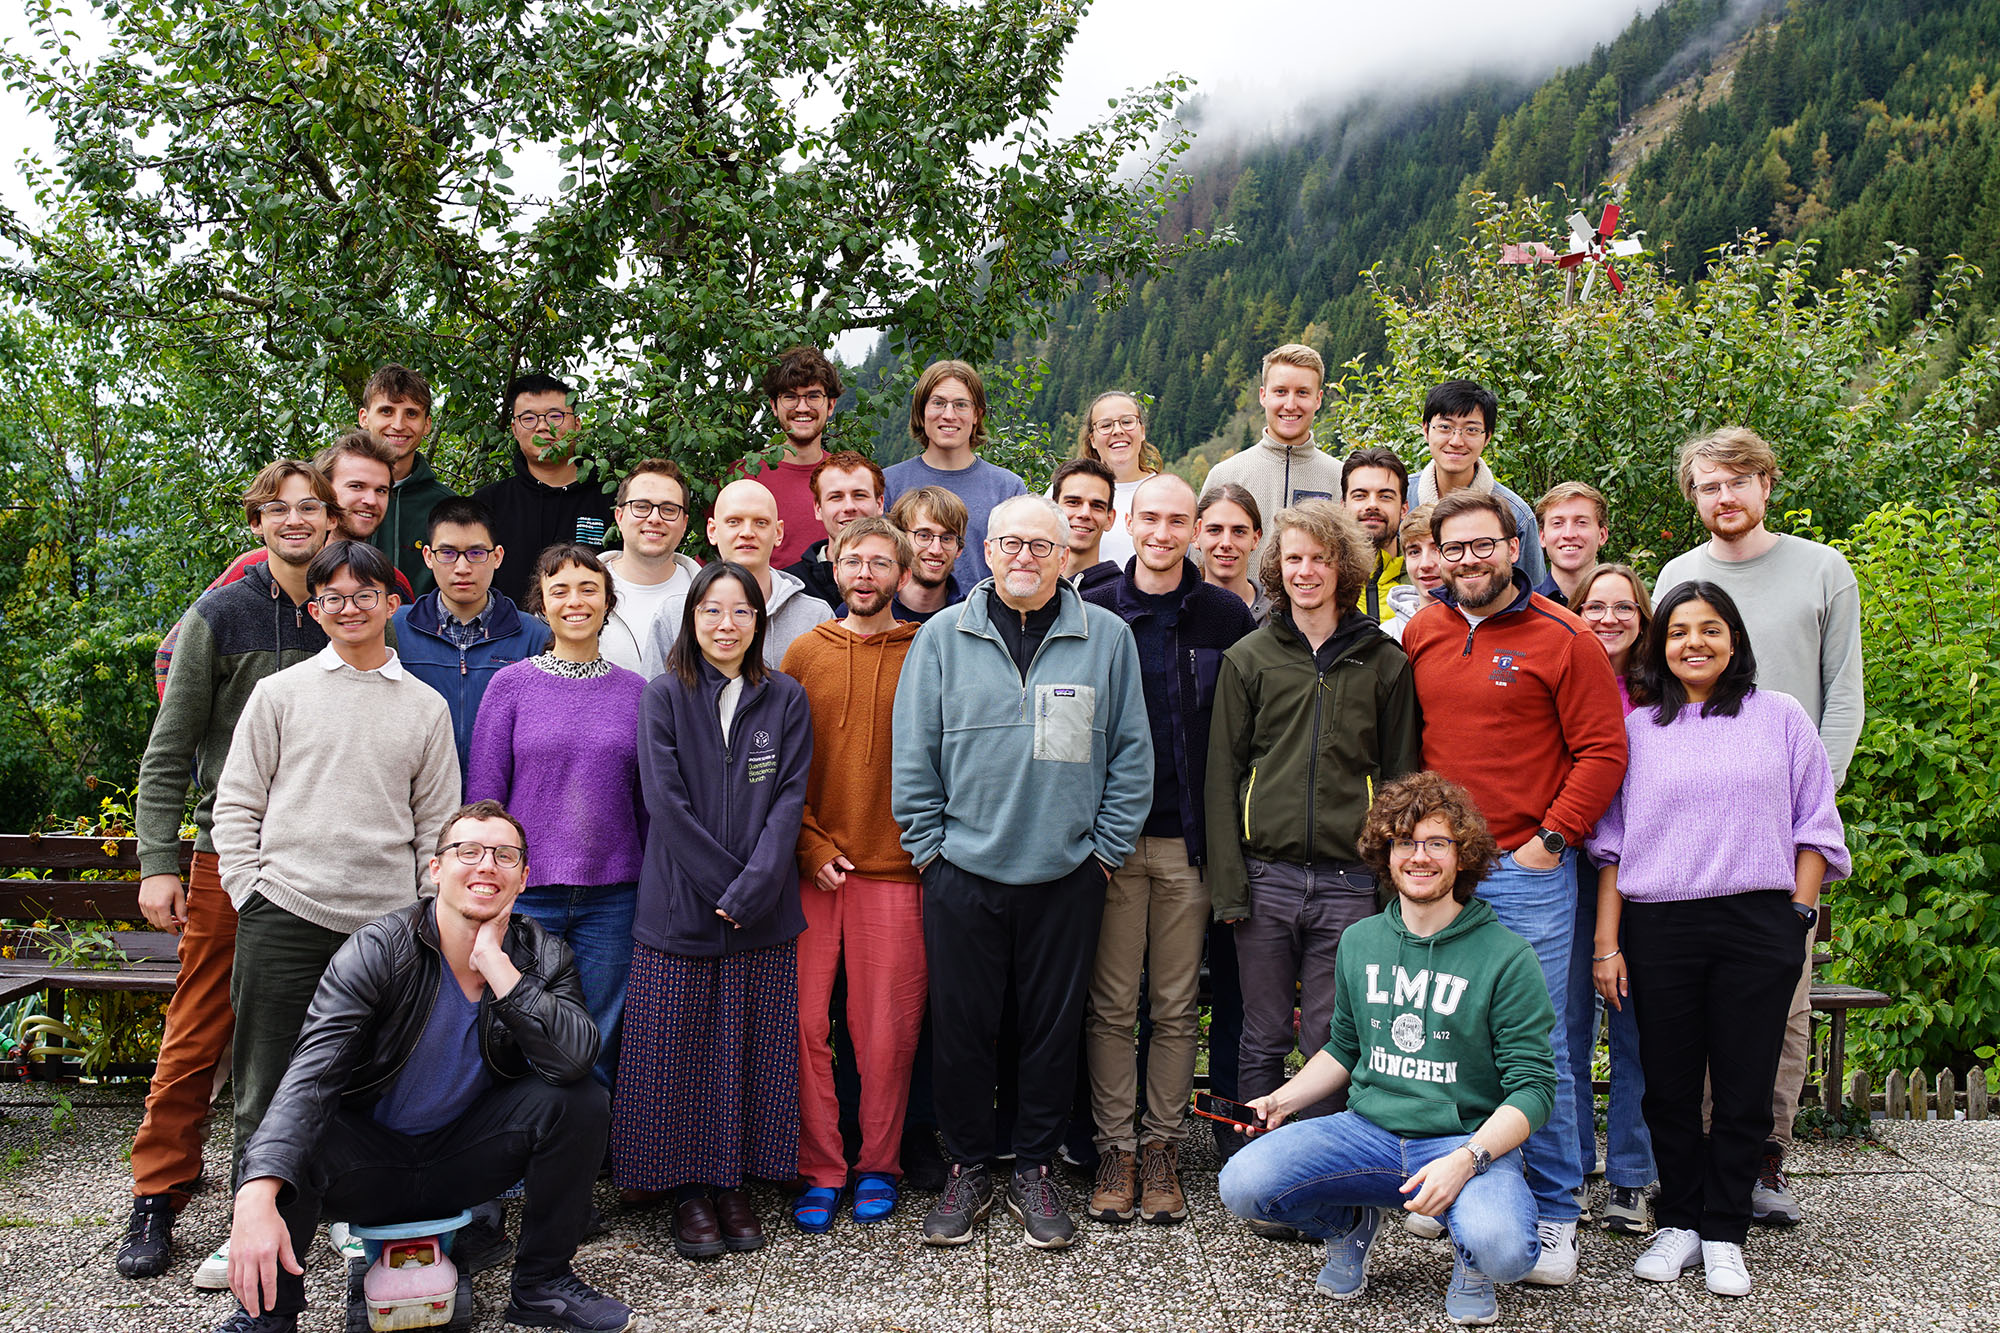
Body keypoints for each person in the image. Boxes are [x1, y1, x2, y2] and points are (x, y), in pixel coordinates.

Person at [210, 800, 635, 1333]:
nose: (486, 866)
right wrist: (256, 1189)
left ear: (524, 878)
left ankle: (541, 1285)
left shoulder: (542, 956)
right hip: (367, 1165)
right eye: (468, 852)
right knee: (289, 1139)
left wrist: (498, 968)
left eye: (504, 856)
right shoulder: (379, 949)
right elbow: (311, 1076)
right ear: (436, 868)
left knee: (580, 1101)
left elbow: (573, 1060)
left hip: (465, 1160)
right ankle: (268, 1317)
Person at [891, 495, 1151, 1250]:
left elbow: (1131, 754)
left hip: (1068, 872)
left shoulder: (1106, 637)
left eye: (1041, 545)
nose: (1025, 557)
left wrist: (1103, 854)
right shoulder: (943, 636)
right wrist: (929, 852)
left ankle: (1034, 1165)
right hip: (961, 870)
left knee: (1050, 1030)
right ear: (988, 551)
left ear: (1065, 556)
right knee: (962, 1028)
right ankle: (969, 1164)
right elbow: (914, 753)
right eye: (1011, 543)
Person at [1219, 772, 1557, 1328]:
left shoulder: (1507, 956)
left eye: (1437, 843)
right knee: (1242, 1184)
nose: (1419, 857)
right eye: (1405, 842)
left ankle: (1471, 1260)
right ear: (1387, 853)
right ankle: (1349, 1225)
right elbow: (1345, 1047)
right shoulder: (1361, 940)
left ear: (1463, 857)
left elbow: (1534, 1087)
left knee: (1503, 1249)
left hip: (1462, 1141)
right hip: (1367, 1133)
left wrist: (1468, 1160)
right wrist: (1281, 1101)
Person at [1588, 582, 1848, 1297]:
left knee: (1743, 1085)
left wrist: (1798, 915)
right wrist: (1607, 944)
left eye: (1709, 629)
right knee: (1668, 1086)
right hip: (1659, 926)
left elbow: (1816, 826)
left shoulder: (1780, 717)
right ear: (1660, 644)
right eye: (1678, 631)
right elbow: (1612, 847)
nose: (1693, 643)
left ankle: (1726, 1230)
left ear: (1734, 640)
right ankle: (1679, 1220)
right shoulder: (1638, 730)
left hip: (1758, 924)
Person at [1400, 490, 1627, 1286]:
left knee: (1540, 1047)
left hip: (1525, 873)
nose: (1468, 560)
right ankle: (1459, 1184)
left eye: (1483, 544)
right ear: (1437, 554)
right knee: (1446, 1038)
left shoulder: (1565, 637)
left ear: (1512, 546)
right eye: (1453, 547)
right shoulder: (1424, 631)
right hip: (1441, 874)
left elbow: (1603, 750)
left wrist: (1550, 840)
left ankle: (1557, 1211)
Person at [210, 539, 462, 1248]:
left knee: (371, 1079)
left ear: (391, 604)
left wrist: (424, 915)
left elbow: (437, 826)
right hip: (285, 911)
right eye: (334, 598)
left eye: (364, 595)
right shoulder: (279, 694)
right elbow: (237, 803)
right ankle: (252, 1229)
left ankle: (353, 1216)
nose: (350, 609)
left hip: (386, 926)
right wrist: (249, 890)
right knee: (264, 1082)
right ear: (315, 609)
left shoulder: (425, 707)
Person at [119, 461, 334, 1285]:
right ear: (256, 523)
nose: (294, 519)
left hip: (324, 854)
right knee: (201, 1024)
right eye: (278, 508)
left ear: (330, 520)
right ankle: (159, 1189)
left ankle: (297, 1181)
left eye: (308, 507)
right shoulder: (219, 613)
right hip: (230, 852)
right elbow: (169, 747)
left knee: (319, 1026)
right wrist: (158, 862)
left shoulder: (346, 609)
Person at [1653, 428, 1864, 1226]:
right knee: (1699, 1007)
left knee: (1782, 1002)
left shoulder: (1822, 569)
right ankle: (1706, 1160)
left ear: (1767, 484)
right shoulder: (1679, 575)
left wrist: (1809, 800)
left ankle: (1764, 1156)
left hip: (1784, 830)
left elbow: (1843, 696)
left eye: (1738, 481)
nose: (1725, 496)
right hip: (1692, 836)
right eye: (1709, 485)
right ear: (1695, 497)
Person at [1205, 502, 1421, 1155]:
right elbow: (1222, 777)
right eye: (1293, 558)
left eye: (1320, 559)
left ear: (1344, 567)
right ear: (1277, 566)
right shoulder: (1248, 657)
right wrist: (1230, 885)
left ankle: (1323, 1172)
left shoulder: (1384, 661)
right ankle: (1252, 1165)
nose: (1305, 571)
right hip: (1265, 877)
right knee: (1262, 1033)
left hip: (1349, 883)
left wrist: (1389, 886)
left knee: (1331, 1037)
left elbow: (1401, 779)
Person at [619, 563, 812, 1259]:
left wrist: (755, 886)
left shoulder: (785, 697)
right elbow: (664, 801)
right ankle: (687, 1189)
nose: (726, 624)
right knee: (675, 1050)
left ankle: (734, 1183)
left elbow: (790, 796)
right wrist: (725, 886)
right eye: (711, 611)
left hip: (764, 911)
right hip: (680, 908)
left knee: (750, 1049)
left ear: (759, 622)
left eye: (741, 612)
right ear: (691, 619)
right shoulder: (664, 695)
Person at [1080, 474, 1255, 1225]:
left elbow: (1246, 729)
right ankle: (1114, 1149)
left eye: (1177, 520)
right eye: (1149, 517)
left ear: (1193, 530)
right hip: (1111, 842)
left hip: (1190, 842)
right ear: (1129, 521)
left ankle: (1161, 1149)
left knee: (1177, 1006)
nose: (1161, 532)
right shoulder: (1092, 605)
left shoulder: (1223, 613)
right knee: (1112, 1005)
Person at [781, 517, 927, 1233]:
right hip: (814, 871)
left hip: (897, 871)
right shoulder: (804, 652)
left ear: (902, 573)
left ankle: (878, 1164)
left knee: (884, 1033)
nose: (865, 573)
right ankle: (821, 1168)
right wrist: (809, 845)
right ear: (834, 569)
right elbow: (778, 766)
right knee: (805, 1025)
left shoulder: (927, 649)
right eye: (852, 561)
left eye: (879, 562)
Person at [467, 546, 647, 1090]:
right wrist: (487, 886)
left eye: (589, 589)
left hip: (613, 897)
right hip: (529, 893)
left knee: (598, 1035)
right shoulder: (510, 686)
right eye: (559, 590)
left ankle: (585, 1135)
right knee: (519, 1027)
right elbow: (484, 801)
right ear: (541, 605)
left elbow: (647, 805)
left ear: (608, 603)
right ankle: (521, 1136)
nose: (575, 601)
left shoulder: (637, 693)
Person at [151, 434, 412, 697]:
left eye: (381, 490)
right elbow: (172, 653)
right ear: (326, 491)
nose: (370, 500)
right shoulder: (254, 566)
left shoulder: (392, 583)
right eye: (356, 486)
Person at [1563, 562, 1657, 1236]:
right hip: (1570, 867)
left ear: (1643, 619)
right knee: (1565, 1027)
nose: (1608, 618)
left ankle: (1630, 1175)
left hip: (1644, 875)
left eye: (1624, 607)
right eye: (1594, 606)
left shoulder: (1661, 695)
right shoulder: (1562, 678)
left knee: (1635, 1032)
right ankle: (1567, 1168)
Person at [393, 496, 552, 783]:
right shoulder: (396, 629)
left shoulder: (535, 636)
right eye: (447, 553)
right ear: (428, 556)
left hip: (501, 799)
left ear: (497, 556)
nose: (462, 567)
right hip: (418, 795)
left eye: (476, 553)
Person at [644, 478, 834, 673]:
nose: (747, 532)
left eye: (760, 523)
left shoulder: (815, 618)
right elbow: (654, 691)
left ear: (778, 533)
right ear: (712, 531)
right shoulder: (674, 615)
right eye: (734, 522)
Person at [1196, 344, 1343, 580]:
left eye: (1302, 393)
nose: (1290, 404)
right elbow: (1198, 561)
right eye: (1281, 391)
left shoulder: (1340, 478)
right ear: (1263, 395)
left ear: (1318, 399)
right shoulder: (1224, 475)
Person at [881, 360, 1028, 587]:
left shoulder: (1008, 488)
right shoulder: (889, 484)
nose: (949, 415)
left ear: (977, 414)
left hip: (984, 610)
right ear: (921, 411)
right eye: (938, 403)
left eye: (961, 405)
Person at [473, 372, 615, 607]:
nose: (542, 426)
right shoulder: (487, 503)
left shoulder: (612, 498)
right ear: (514, 429)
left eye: (555, 416)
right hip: (506, 628)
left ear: (577, 424)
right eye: (528, 418)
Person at [1409, 380, 1546, 587]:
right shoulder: (1400, 498)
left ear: (1487, 437)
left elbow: (1531, 594)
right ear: (1426, 430)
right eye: (1445, 427)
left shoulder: (1517, 516)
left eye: (1471, 430)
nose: (1456, 441)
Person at [357, 364, 457, 596]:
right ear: (364, 418)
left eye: (411, 414)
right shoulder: (331, 494)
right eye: (386, 411)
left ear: (427, 424)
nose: (398, 425)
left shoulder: (447, 506)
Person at [745, 346, 846, 569]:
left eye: (813, 396)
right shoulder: (743, 476)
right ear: (774, 405)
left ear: (830, 405)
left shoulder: (849, 481)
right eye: (790, 397)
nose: (802, 407)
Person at [599, 458, 702, 675]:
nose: (654, 518)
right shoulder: (576, 594)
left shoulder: (709, 597)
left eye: (668, 509)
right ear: (619, 517)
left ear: (684, 523)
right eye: (642, 507)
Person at [1069, 391, 1165, 567]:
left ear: (1142, 431)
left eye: (1127, 422)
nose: (1118, 431)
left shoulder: (1168, 494)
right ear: (1092, 439)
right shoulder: (1065, 490)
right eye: (1106, 425)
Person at [784, 450, 886, 610]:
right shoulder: (789, 586)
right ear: (818, 509)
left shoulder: (902, 583)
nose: (849, 507)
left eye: (859, 495)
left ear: (879, 504)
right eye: (836, 497)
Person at [1340, 446, 1410, 623]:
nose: (1372, 505)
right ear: (1343, 506)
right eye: (1360, 496)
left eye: (1385, 496)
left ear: (1404, 509)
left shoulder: (1426, 578)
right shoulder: (1324, 579)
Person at [886, 486, 968, 623]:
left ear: (959, 549)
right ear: (900, 540)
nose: (936, 550)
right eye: (924, 535)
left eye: (947, 538)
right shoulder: (868, 610)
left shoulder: (970, 619)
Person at [1195, 483, 1269, 626]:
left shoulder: (1279, 616)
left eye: (1239, 531)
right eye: (1215, 530)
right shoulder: (1177, 613)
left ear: (1255, 539)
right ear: (1196, 534)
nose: (1226, 543)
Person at [1050, 456, 1121, 593]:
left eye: (1097, 506)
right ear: (1052, 510)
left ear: (1110, 519)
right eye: (1073, 502)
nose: (1085, 514)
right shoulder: (1030, 586)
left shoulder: (1122, 596)